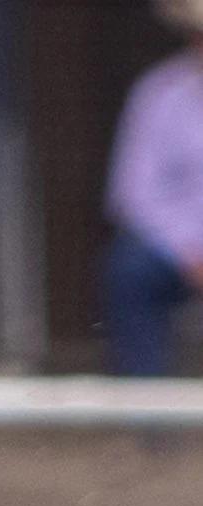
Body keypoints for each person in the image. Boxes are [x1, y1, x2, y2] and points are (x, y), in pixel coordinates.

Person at [105, 0, 203, 377]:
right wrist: (190, 252)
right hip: (177, 253)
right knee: (129, 270)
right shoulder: (160, 92)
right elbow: (132, 193)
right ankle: (150, 418)